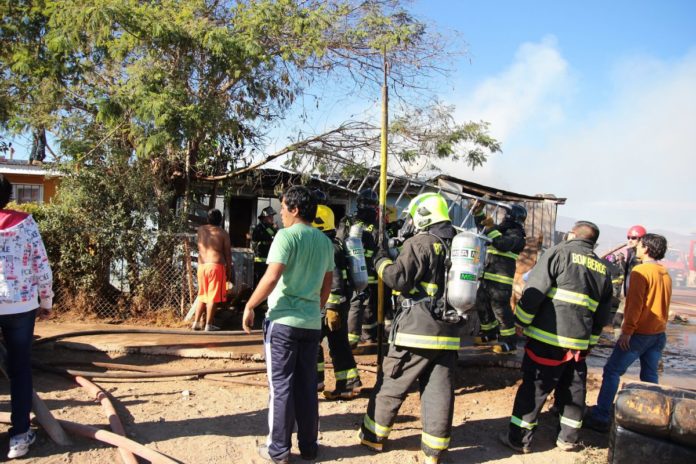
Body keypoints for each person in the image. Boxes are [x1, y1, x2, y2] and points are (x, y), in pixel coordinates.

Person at [358, 192, 463, 464]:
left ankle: (373, 435)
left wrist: (380, 259)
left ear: (424, 215)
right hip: (448, 334)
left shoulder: (422, 242)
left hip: (416, 332)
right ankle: (434, 452)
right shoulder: (459, 246)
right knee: (439, 391)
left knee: (391, 383)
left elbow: (398, 278)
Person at [500, 221, 613, 453]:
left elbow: (534, 291)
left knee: (534, 387)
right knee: (573, 389)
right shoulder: (603, 268)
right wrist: (589, 343)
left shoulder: (559, 252)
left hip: (548, 338)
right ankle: (568, 439)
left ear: (573, 235)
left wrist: (520, 320)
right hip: (578, 345)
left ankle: (519, 439)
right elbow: (602, 314)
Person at [242, 185, 334, 464]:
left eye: (283, 207)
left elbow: (271, 278)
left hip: (282, 322)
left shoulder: (285, 236)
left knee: (280, 386)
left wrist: (249, 305)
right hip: (310, 324)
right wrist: (314, 309)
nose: (280, 212)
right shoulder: (325, 241)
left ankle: (278, 449)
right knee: (306, 385)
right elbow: (327, 284)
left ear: (295, 209)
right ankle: (309, 447)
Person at [585, 233, 672, 433]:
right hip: (658, 333)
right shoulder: (664, 272)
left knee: (612, 371)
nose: (636, 247)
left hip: (640, 333)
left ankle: (600, 416)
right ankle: (654, 417)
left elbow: (635, 305)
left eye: (639, 244)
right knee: (649, 375)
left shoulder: (641, 271)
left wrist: (627, 331)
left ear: (647, 248)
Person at [0, 174, 53, 459]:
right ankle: (20, 437)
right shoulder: (25, 223)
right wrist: (46, 300)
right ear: (8, 196)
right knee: (20, 371)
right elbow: (41, 266)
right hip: (20, 307)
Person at [311, 205, 362, 399]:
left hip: (330, 305)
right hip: (338, 303)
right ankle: (348, 384)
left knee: (313, 340)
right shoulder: (334, 243)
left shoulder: (328, 246)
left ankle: (314, 381)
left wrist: (331, 306)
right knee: (339, 344)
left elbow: (336, 279)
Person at [472, 202, 527, 353]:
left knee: (501, 311)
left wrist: (490, 227)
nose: (504, 217)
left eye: (506, 214)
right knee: (481, 303)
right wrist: (478, 213)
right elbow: (485, 230)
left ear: (513, 217)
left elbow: (501, 243)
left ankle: (509, 342)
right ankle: (489, 333)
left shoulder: (518, 236)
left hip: (501, 281)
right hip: (487, 277)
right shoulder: (502, 230)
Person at [337, 189, 380, 347]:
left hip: (351, 271)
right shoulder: (375, 225)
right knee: (362, 305)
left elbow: (340, 240)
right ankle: (358, 338)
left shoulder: (348, 221)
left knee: (356, 304)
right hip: (366, 272)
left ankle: (358, 337)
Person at [192, 209, 233, 331]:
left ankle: (196, 322)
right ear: (220, 220)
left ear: (208, 219)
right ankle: (208, 325)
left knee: (202, 295)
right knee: (212, 297)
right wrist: (228, 270)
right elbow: (228, 254)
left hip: (202, 266)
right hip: (216, 266)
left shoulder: (200, 230)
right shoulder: (223, 233)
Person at [251, 206, 278, 287]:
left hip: (269, 260)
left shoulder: (270, 227)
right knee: (260, 282)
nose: (272, 218)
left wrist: (275, 230)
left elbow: (276, 237)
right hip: (260, 261)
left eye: (272, 216)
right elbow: (269, 236)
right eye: (270, 216)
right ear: (264, 218)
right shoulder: (259, 228)